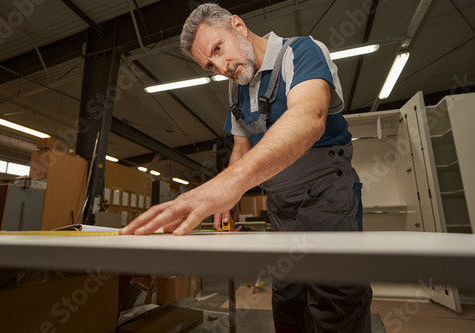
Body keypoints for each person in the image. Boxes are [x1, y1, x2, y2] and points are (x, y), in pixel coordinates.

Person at [121, 3, 372, 332]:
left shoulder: (299, 52)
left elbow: (308, 119)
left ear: (238, 26)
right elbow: (241, 147)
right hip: (281, 206)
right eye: (210, 64)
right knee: (287, 298)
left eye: (217, 49)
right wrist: (231, 201)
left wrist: (229, 185)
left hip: (326, 195)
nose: (219, 67)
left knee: (335, 299)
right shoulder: (236, 87)